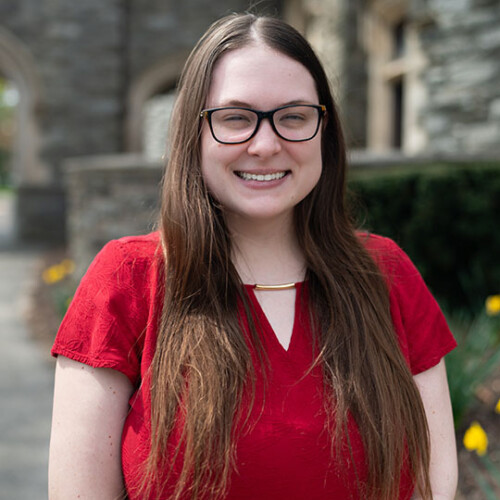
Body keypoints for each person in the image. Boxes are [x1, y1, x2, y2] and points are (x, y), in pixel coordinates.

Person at [48, 13, 458, 500]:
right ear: (193, 133)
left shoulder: (386, 273)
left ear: (323, 130)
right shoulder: (130, 279)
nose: (265, 144)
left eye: (294, 117)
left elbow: (434, 485)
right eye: (235, 118)